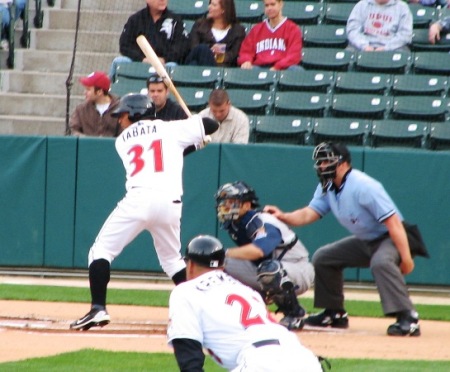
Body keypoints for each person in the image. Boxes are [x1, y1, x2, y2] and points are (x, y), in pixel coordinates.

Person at [69, 93, 219, 331]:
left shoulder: (122, 141)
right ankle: (201, 310)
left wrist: (193, 141)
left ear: (135, 114)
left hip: (139, 200)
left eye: (123, 115)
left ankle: (98, 308)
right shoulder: (170, 129)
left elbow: (157, 152)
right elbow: (211, 125)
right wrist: (197, 137)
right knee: (172, 260)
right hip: (170, 203)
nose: (120, 121)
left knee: (101, 251)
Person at [264, 142, 421, 337]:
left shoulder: (364, 186)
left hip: (394, 236)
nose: (322, 166)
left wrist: (406, 259)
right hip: (368, 239)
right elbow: (308, 214)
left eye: (327, 161)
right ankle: (334, 313)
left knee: (381, 262)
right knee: (324, 257)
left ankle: (408, 317)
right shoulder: (327, 186)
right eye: (320, 162)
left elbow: (394, 223)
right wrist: (283, 216)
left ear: (343, 163)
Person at [167, 234, 323, 372]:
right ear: (222, 266)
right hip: (304, 359)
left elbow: (187, 351)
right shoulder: (246, 289)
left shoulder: (185, 291)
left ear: (191, 265)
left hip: (261, 363)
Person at [214, 181, 314, 330]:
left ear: (247, 205)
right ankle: (246, 309)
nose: (226, 206)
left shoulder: (262, 221)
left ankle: (295, 314)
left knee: (269, 269)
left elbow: (259, 251)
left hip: (298, 270)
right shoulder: (235, 223)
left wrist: (225, 252)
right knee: (216, 264)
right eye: (225, 202)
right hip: (269, 267)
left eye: (232, 202)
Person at [109, 0, 189, 80]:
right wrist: (142, 59)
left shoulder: (176, 20)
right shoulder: (135, 19)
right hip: (139, 62)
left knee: (172, 66)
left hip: (165, 63)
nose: (162, 0)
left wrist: (164, 59)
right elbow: (125, 45)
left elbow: (182, 47)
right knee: (119, 61)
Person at [237, 0, 303, 71]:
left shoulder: (292, 28)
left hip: (283, 68)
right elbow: (246, 51)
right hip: (259, 68)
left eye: (272, 4)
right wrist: (246, 61)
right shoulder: (256, 29)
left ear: (281, 4)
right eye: (266, 5)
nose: (269, 8)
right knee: (246, 70)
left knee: (296, 70)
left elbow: (294, 55)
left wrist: (277, 67)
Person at [185, 0, 246, 67]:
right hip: (198, 59)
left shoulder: (238, 30)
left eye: (214, 5)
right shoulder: (199, 25)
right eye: (210, 4)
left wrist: (218, 56)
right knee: (202, 49)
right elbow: (194, 48)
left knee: (194, 64)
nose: (209, 7)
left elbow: (234, 55)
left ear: (223, 9)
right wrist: (210, 50)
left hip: (223, 66)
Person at [69, 71, 122, 137]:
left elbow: (124, 133)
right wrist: (86, 140)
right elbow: (73, 130)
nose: (84, 92)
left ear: (99, 92)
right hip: (87, 146)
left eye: (88, 90)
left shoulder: (121, 108)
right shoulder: (81, 109)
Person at [346, 0, 413, 51]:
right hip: (363, 47)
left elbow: (405, 34)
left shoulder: (402, 7)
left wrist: (386, 48)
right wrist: (365, 46)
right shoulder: (362, 5)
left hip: (393, 48)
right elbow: (352, 30)